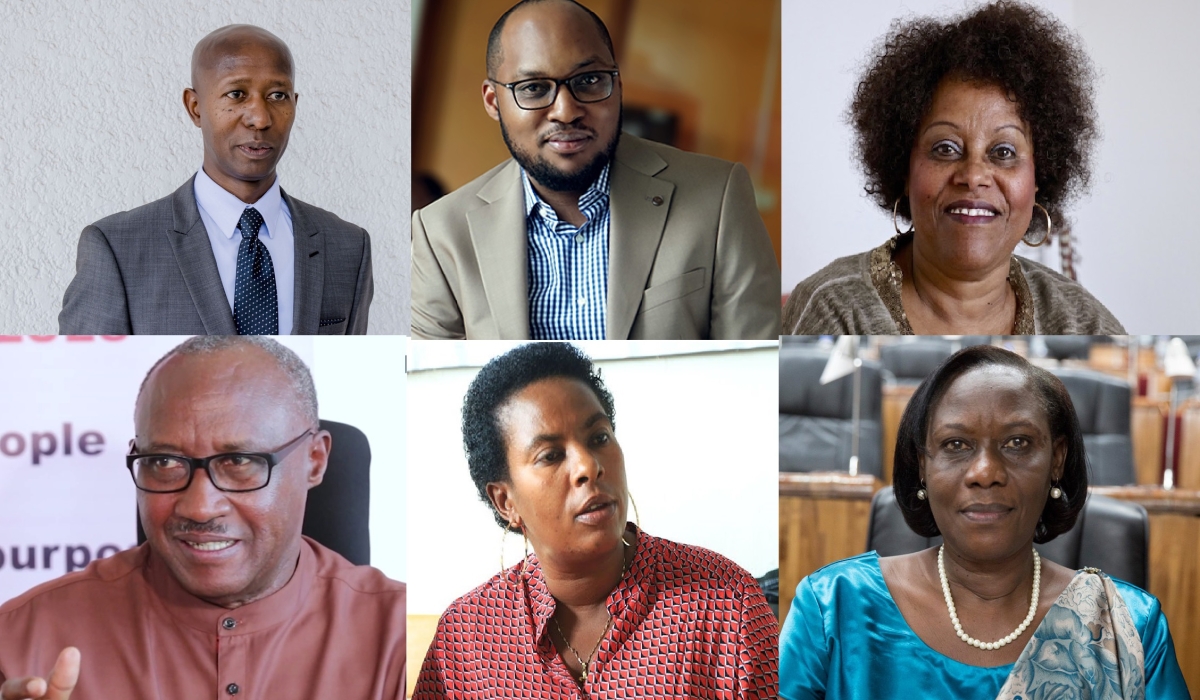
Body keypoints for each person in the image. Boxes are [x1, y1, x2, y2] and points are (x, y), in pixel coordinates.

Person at [0, 337, 405, 699]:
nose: (199, 507)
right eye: (163, 461)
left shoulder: (400, 642)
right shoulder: (20, 641)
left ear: (314, 461)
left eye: (239, 461)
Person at [779, 346, 1188, 699]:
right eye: (956, 445)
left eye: (1017, 443)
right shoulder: (832, 606)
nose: (985, 471)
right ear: (923, 466)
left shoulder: (1129, 625)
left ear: (1057, 461)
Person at [413, 343, 778, 698]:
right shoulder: (463, 641)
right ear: (506, 501)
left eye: (599, 437)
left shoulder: (728, 603)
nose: (588, 466)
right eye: (551, 455)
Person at [411, 0, 780, 341]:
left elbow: (754, 367)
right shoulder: (440, 233)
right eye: (534, 87)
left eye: (588, 81)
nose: (565, 111)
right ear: (494, 102)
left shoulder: (718, 196)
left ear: (617, 86)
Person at [782, 2, 1124, 335]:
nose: (973, 176)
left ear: (1040, 177)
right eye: (945, 149)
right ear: (904, 168)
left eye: (1003, 152)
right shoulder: (831, 308)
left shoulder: (1085, 324)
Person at [59, 25, 373, 335]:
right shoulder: (118, 247)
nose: (260, 118)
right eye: (236, 94)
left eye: (278, 95)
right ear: (194, 107)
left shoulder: (348, 245)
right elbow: (84, 383)